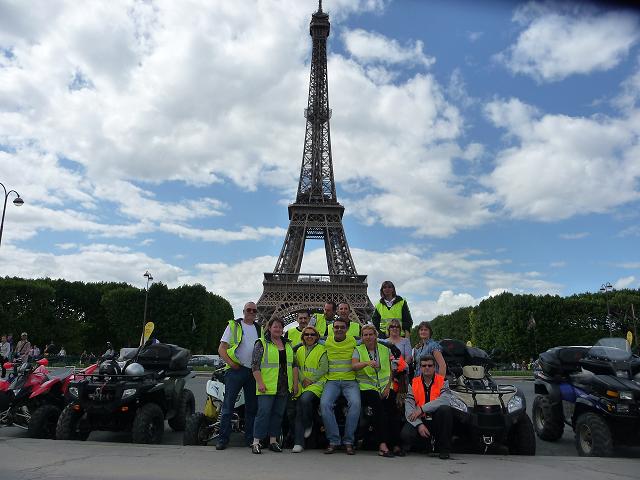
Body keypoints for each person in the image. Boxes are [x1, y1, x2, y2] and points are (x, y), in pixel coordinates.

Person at [216, 301, 262, 450]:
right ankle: (223, 439)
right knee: (228, 406)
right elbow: (222, 348)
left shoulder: (259, 329)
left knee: (252, 408)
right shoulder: (234, 326)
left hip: (253, 371)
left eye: (254, 310)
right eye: (249, 310)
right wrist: (231, 363)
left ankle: (249, 439)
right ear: (243, 311)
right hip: (236, 370)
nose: (251, 312)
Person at [251, 317, 298, 454]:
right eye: (275, 326)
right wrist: (259, 382)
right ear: (269, 328)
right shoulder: (261, 343)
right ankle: (256, 442)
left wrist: (295, 384)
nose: (277, 329)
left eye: (280, 327)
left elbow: (294, 365)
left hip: (284, 385)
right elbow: (255, 365)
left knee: (278, 414)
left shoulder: (288, 344)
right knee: (263, 413)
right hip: (267, 385)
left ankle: (273, 441)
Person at [352, 324, 395, 457]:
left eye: (371, 334)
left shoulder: (385, 349)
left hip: (384, 386)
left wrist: (388, 387)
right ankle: (382, 445)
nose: (368, 337)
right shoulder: (358, 349)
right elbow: (353, 366)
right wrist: (366, 363)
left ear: (376, 335)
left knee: (393, 410)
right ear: (362, 337)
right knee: (379, 408)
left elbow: (391, 369)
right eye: (365, 335)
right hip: (367, 387)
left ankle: (395, 444)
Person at [320, 317, 360, 455]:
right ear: (332, 328)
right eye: (336, 327)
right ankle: (334, 440)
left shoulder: (354, 341)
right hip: (332, 381)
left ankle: (348, 441)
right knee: (324, 404)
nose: (339, 329)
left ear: (347, 329)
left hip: (350, 381)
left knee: (355, 404)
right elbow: (308, 340)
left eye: (342, 327)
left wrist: (391, 343)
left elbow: (373, 340)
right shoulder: (326, 341)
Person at [401, 354, 453, 459]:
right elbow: (409, 406)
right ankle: (423, 445)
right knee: (405, 434)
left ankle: (444, 449)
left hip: (436, 419)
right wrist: (419, 425)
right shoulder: (413, 382)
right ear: (420, 368)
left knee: (446, 410)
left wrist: (422, 408)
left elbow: (446, 400)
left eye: (430, 365)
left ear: (435, 367)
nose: (427, 368)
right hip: (421, 419)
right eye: (424, 366)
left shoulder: (443, 381)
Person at [292, 325, 328, 453]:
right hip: (303, 384)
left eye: (312, 334)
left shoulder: (322, 349)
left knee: (305, 400)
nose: (309, 336)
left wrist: (311, 380)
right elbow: (296, 367)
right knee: (299, 410)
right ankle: (298, 442)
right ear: (303, 336)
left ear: (317, 336)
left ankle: (308, 425)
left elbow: (324, 368)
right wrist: (303, 379)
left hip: (317, 383)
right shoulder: (299, 350)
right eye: (306, 334)